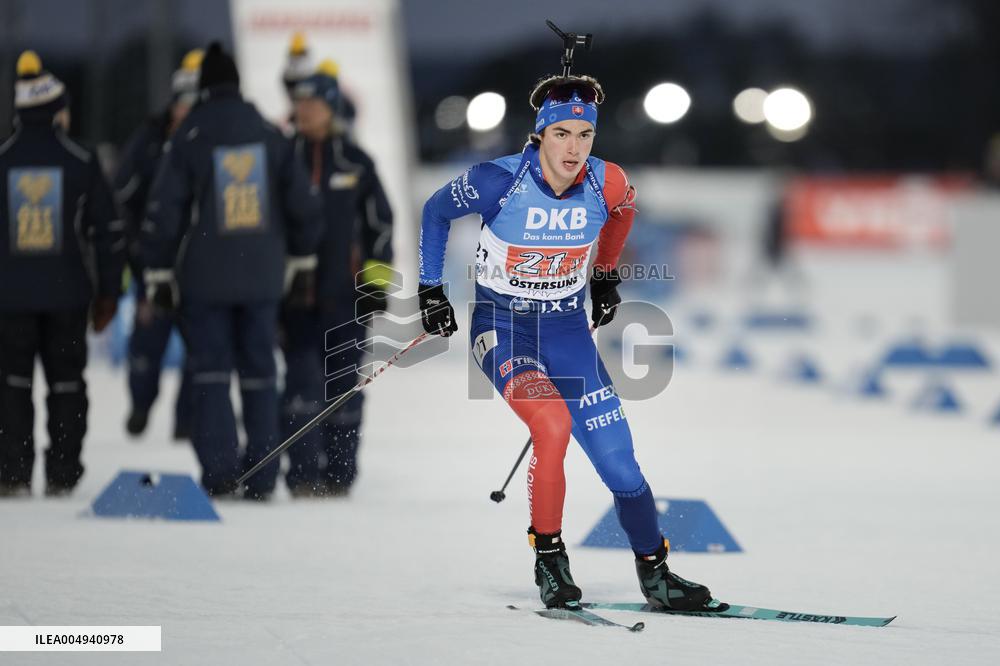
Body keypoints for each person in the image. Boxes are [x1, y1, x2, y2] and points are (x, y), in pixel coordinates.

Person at [417, 72, 714, 609]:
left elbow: (623, 215)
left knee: (620, 463)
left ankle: (657, 572)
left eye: (585, 135)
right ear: (540, 135)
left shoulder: (609, 183)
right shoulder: (497, 181)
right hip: (503, 330)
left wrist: (603, 274)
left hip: (567, 331)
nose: (574, 148)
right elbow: (435, 211)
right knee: (551, 424)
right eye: (562, 135)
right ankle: (550, 559)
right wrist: (429, 290)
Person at [141, 42, 322, 500]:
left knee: (211, 374)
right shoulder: (267, 132)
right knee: (261, 371)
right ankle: (261, 475)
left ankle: (220, 474)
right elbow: (302, 205)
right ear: (238, 84)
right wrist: (300, 259)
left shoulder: (189, 136)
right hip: (263, 278)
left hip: (204, 280)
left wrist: (159, 272)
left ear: (203, 87)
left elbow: (164, 212)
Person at [0, 51, 125, 497]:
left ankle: (12, 474)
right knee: (67, 385)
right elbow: (108, 233)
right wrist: (110, 293)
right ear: (55, 111)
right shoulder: (80, 160)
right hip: (67, 298)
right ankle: (62, 473)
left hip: (9, 302)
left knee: (10, 386)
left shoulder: (3, 160)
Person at [281, 61, 394, 496]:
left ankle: (340, 476)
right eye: (299, 102)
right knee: (298, 388)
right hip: (292, 300)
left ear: (331, 107)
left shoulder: (357, 163)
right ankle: (302, 476)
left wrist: (376, 285)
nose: (304, 110)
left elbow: (380, 228)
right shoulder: (281, 157)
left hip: (345, 298)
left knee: (344, 390)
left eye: (312, 102)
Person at [115, 49, 203, 440]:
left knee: (201, 352)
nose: (185, 111)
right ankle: (140, 404)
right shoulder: (147, 142)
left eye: (193, 103)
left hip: (200, 271)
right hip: (153, 266)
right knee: (146, 348)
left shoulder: (211, 144)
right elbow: (122, 201)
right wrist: (136, 254)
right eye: (181, 103)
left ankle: (186, 421)